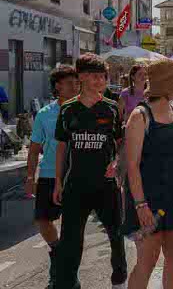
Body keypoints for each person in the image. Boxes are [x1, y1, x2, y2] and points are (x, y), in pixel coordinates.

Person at [124, 59, 173, 289]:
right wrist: (140, 204)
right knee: (146, 262)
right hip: (148, 197)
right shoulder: (140, 116)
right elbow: (132, 165)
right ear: (166, 83)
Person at [53, 54, 127, 289]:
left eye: (103, 77)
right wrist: (57, 182)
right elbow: (61, 148)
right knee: (70, 241)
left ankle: (119, 281)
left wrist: (117, 164)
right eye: (94, 76)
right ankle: (67, 283)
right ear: (81, 77)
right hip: (76, 185)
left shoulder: (112, 108)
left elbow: (121, 143)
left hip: (106, 186)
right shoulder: (67, 110)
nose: (99, 81)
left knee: (116, 235)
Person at [26, 66, 79, 289]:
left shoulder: (83, 111)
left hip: (75, 176)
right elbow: (34, 147)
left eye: (76, 82)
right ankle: (58, 254)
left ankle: (66, 276)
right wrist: (30, 176)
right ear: (58, 86)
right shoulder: (45, 114)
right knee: (43, 221)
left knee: (72, 229)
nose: (75, 86)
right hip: (48, 175)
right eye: (69, 83)